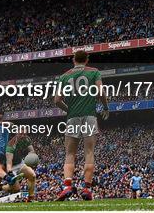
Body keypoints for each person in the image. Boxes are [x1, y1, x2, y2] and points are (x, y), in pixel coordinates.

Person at [55, 51, 109, 201]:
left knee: (70, 154)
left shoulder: (64, 76)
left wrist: (69, 110)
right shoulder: (94, 72)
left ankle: (67, 186)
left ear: (73, 60)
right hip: (89, 116)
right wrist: (105, 107)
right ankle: (86, 188)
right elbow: (100, 91)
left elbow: (57, 100)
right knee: (89, 153)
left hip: (72, 118)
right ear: (87, 59)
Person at [5, 132, 37, 202]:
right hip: (11, 166)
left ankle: (31, 198)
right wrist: (10, 173)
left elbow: (32, 151)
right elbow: (9, 162)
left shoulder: (27, 139)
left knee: (32, 175)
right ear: (16, 134)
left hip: (20, 163)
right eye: (21, 134)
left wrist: (31, 155)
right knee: (16, 189)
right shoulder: (11, 144)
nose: (23, 136)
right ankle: (0, 187)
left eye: (24, 134)